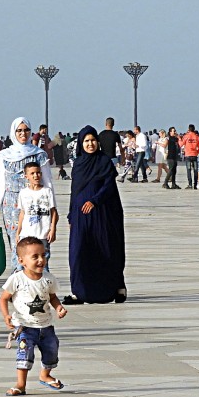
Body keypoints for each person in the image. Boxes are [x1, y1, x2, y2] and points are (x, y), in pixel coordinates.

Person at [64, 125, 126, 304]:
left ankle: (113, 288)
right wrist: (70, 215)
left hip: (102, 214)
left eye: (92, 140)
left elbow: (108, 186)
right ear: (80, 144)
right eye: (86, 141)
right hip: (80, 216)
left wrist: (94, 201)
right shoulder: (78, 165)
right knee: (79, 252)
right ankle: (79, 291)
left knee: (106, 250)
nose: (90, 144)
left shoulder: (104, 161)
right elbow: (74, 191)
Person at [0, 237, 68, 396]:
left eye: (43, 255)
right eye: (35, 257)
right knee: (25, 353)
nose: (41, 260)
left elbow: (52, 297)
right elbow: (3, 298)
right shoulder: (17, 279)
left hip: (46, 326)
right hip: (25, 326)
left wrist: (59, 308)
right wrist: (6, 316)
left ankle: (45, 374)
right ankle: (21, 384)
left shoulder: (48, 279)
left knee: (52, 350)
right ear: (21, 260)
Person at [0, 117, 54, 260]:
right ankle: (19, 276)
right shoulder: (4, 156)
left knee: (38, 242)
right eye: (19, 130)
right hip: (11, 206)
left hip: (36, 203)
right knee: (17, 243)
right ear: (14, 132)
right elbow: (2, 184)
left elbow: (48, 183)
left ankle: (38, 277)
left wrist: (52, 210)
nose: (23, 133)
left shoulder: (39, 154)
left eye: (26, 130)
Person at [15, 162, 58, 257]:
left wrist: (53, 229)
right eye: (32, 173)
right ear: (26, 176)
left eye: (38, 173)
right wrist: (18, 232)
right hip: (26, 234)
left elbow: (53, 212)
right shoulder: (23, 193)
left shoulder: (47, 191)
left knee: (43, 259)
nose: (36, 176)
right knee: (27, 258)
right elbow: (22, 213)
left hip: (43, 233)